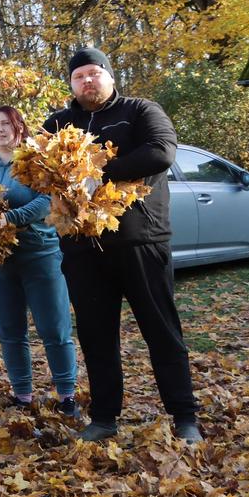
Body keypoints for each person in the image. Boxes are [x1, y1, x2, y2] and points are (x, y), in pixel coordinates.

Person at [43, 47, 201, 443]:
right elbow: (38, 167)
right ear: (71, 84)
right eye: (79, 76)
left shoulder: (140, 111)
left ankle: (184, 416)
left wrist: (97, 170)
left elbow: (161, 152)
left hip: (139, 240)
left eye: (95, 73)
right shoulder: (58, 124)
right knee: (96, 336)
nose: (87, 81)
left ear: (110, 77)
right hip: (82, 249)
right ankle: (104, 417)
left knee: (161, 329)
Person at [0, 106, 80, 418]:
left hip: (40, 254)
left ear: (19, 127)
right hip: (0, 261)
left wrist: (12, 218)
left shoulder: (36, 162)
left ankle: (67, 394)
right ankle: (22, 394)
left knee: (54, 328)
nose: (1, 129)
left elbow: (47, 200)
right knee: (9, 329)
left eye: (7, 123)